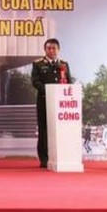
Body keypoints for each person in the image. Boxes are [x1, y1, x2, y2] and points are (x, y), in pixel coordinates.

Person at [31, 38, 71, 168]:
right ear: (45, 49)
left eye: (54, 48)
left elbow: (68, 82)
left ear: (58, 50)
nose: (51, 50)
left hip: (61, 104)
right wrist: (49, 92)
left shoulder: (64, 64)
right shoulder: (37, 64)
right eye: (49, 48)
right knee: (44, 130)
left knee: (60, 129)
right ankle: (44, 159)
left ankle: (59, 156)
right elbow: (35, 82)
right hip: (44, 100)